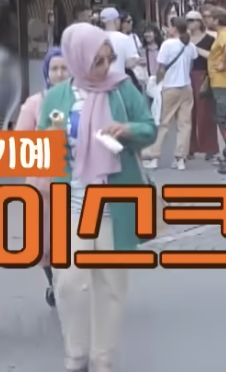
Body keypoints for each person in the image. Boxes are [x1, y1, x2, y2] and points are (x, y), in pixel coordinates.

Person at [41, 23, 157, 372]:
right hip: (72, 201)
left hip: (114, 202)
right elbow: (46, 141)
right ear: (78, 60)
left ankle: (103, 358)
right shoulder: (57, 97)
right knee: (69, 282)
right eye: (97, 61)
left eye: (109, 59)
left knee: (110, 283)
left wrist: (128, 130)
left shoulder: (122, 90)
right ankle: (76, 353)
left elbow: (149, 128)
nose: (106, 67)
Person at [16, 47, 70, 309]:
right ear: (47, 73)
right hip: (44, 182)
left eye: (64, 68)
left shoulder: (84, 101)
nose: (59, 74)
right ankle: (54, 282)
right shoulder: (34, 103)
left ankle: (73, 283)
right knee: (46, 239)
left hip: (78, 180)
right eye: (54, 69)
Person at [141, 17, 196, 170]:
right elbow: (191, 65)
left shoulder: (167, 44)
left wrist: (156, 82)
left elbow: (161, 68)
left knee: (163, 123)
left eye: (169, 26)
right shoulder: (190, 45)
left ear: (174, 29)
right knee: (184, 124)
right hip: (186, 87)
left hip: (170, 87)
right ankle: (180, 159)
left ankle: (154, 156)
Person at [186, 12, 221, 162]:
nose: (189, 23)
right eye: (187, 20)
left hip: (203, 75)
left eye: (192, 20)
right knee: (188, 114)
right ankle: (189, 147)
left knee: (205, 113)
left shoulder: (209, 39)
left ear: (200, 22)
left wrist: (195, 48)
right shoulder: (184, 39)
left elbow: (214, 57)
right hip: (186, 76)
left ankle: (210, 148)